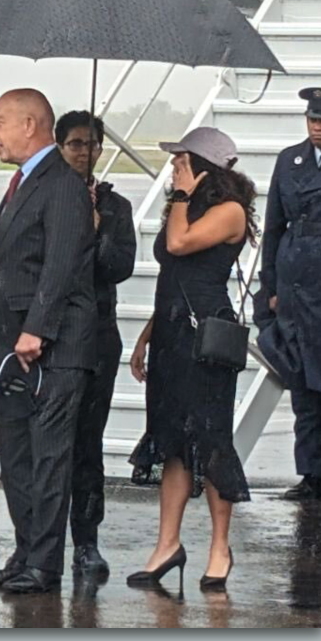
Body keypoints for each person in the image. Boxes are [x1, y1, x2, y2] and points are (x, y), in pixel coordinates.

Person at [0, 89, 99, 595]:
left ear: (30, 124)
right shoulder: (28, 181)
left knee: (48, 460)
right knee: (17, 458)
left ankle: (44, 565)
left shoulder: (64, 185)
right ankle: (26, 551)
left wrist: (37, 329)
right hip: (19, 352)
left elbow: (63, 264)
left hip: (55, 348)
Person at [126, 126, 257, 591]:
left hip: (205, 340)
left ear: (203, 167)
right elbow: (174, 273)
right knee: (173, 442)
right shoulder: (187, 207)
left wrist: (181, 196)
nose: (173, 167)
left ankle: (220, 547)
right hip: (173, 332)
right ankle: (167, 545)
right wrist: (147, 334)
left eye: (181, 160)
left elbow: (180, 245)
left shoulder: (229, 212)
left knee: (210, 439)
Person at [52, 110, 136, 578]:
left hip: (97, 334)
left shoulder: (115, 205)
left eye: (91, 145)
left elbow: (119, 265)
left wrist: (99, 229)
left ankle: (87, 540)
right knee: (46, 445)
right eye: (75, 144)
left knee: (88, 443)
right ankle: (39, 541)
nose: (84, 153)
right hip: (51, 332)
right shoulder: (43, 194)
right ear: (60, 146)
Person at [258, 87, 321, 501]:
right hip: (297, 286)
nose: (317, 127)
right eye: (312, 119)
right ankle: (311, 475)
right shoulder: (290, 160)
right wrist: (270, 287)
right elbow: (273, 227)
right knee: (303, 386)